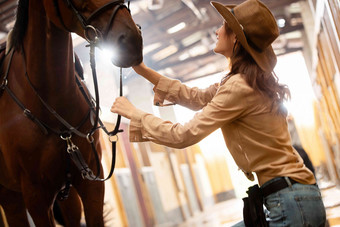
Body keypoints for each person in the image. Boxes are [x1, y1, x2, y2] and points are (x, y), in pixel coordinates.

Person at [111, 0, 326, 226]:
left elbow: (183, 135)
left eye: (223, 26)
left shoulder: (238, 87)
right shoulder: (243, 82)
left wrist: (134, 114)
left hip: (290, 202)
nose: (216, 30)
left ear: (235, 38)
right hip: (295, 197)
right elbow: (197, 97)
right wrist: (141, 69)